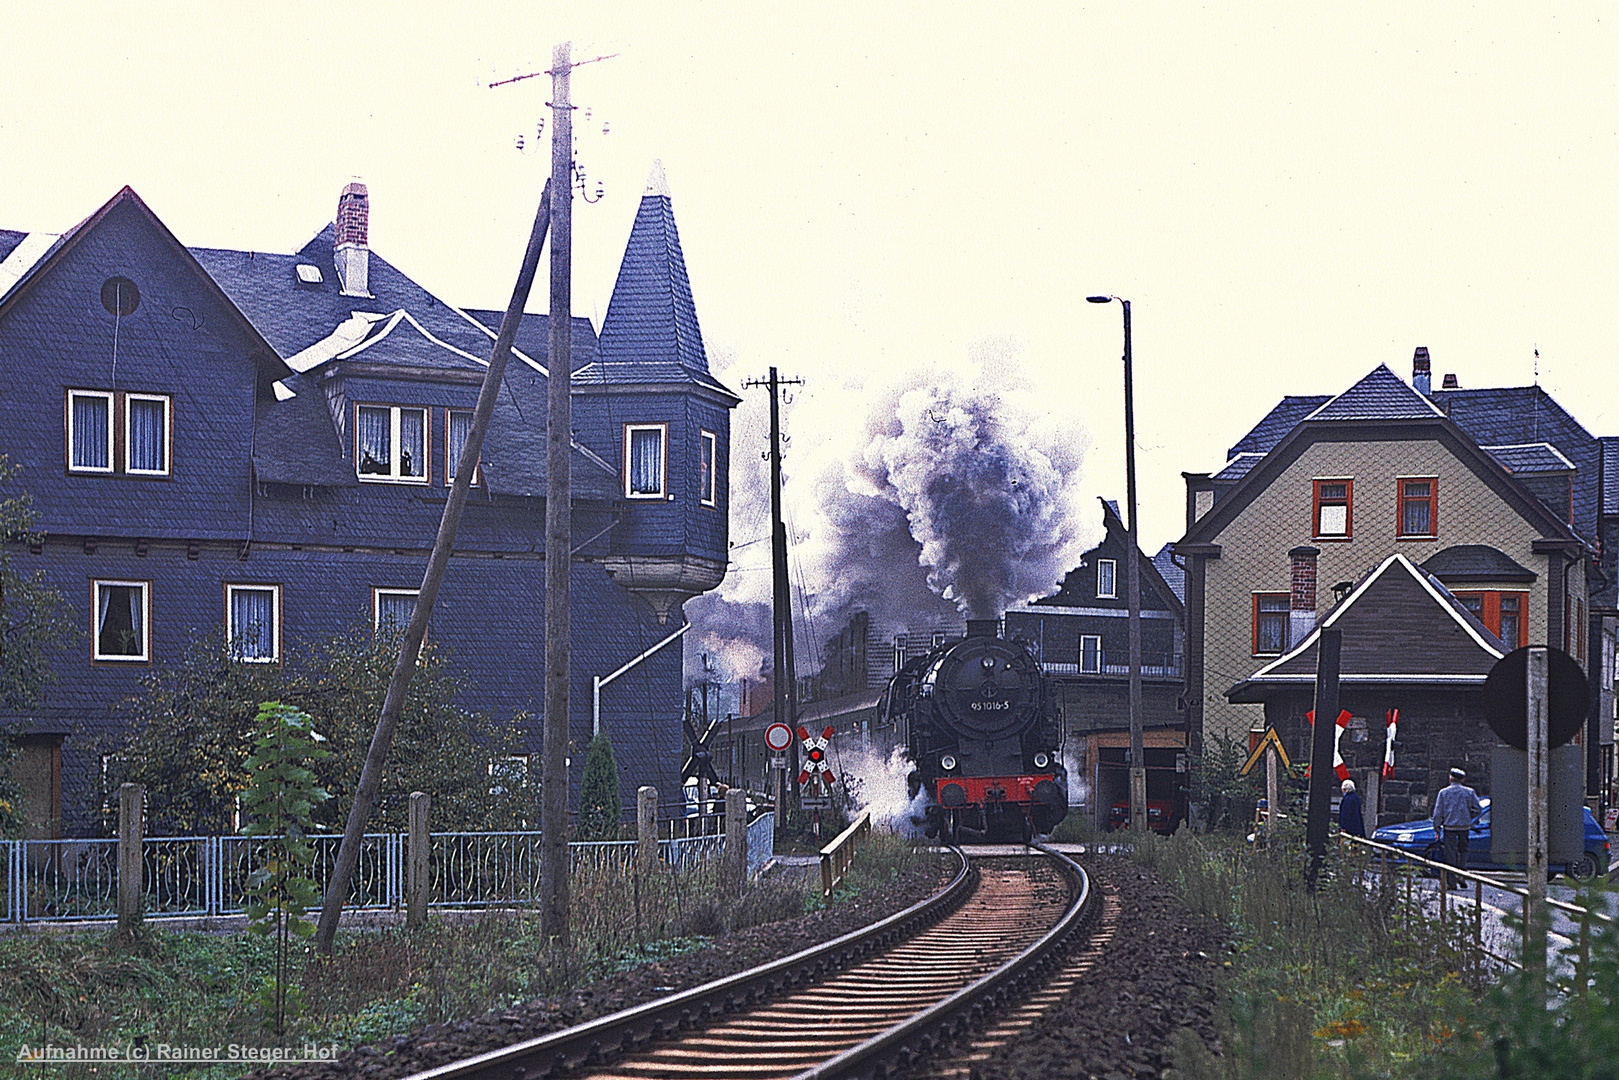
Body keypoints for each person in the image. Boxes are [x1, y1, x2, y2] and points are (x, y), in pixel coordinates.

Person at [1431, 767, 1482, 889]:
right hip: (1464, 827)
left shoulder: (1443, 793)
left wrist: (1437, 828)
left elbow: (1438, 813)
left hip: (1450, 827)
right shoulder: (1469, 792)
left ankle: (1452, 881)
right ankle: (1461, 875)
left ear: (1450, 778)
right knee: (1463, 851)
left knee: (1450, 854)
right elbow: (1478, 809)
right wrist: (1469, 817)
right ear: (1462, 779)